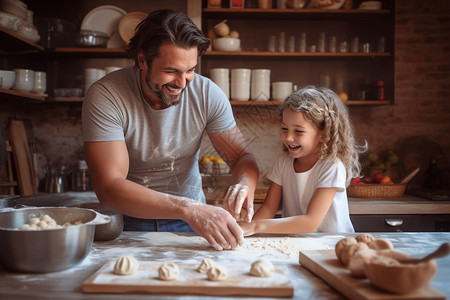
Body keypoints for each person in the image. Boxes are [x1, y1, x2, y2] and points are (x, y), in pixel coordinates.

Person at [82, 9, 259, 250]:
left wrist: (244, 184)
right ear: (142, 60)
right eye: (171, 71)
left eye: (190, 70)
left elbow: (241, 157)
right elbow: (110, 187)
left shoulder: (207, 93)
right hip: (128, 220)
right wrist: (188, 208)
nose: (182, 82)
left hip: (194, 223)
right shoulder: (106, 95)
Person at [239, 86, 366, 235]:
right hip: (296, 242)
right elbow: (268, 208)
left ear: (324, 134)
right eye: (284, 128)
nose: (288, 137)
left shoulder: (331, 167)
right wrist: (244, 228)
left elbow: (310, 222)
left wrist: (256, 227)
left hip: (332, 245)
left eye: (298, 131)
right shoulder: (283, 162)